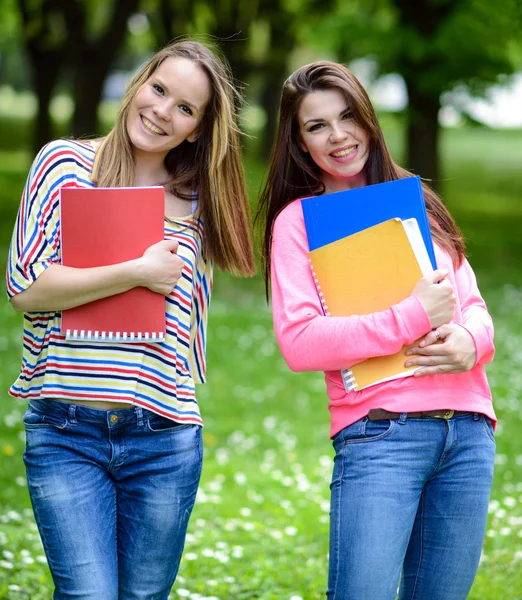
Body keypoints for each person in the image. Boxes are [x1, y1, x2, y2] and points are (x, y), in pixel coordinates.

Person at [7, 39, 255, 600]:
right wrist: (137, 270)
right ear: (138, 83)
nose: (163, 111)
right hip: (68, 429)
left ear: (196, 130)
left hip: (162, 437)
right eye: (159, 89)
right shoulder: (64, 164)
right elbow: (24, 289)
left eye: (186, 109)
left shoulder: (197, 202)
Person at [256, 61, 496, 600]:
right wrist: (410, 316)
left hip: (468, 434)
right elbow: (300, 342)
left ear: (368, 118)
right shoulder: (300, 221)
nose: (338, 136)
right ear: (299, 143)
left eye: (347, 117)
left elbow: (476, 308)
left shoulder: (420, 203)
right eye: (316, 126)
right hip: (381, 433)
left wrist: (469, 341)